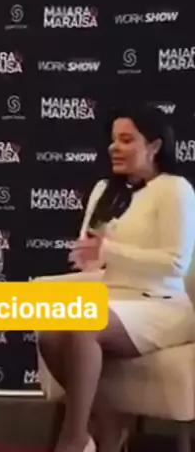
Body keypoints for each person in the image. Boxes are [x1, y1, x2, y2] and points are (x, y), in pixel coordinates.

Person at [37, 105, 195, 452]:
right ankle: (104, 425)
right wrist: (89, 257)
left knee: (83, 326)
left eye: (126, 140)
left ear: (153, 146)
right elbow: (94, 256)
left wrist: (109, 251)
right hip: (112, 297)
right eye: (113, 140)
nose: (114, 147)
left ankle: (74, 439)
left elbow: (175, 265)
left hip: (162, 303)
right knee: (50, 335)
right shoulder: (104, 190)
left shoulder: (175, 189)